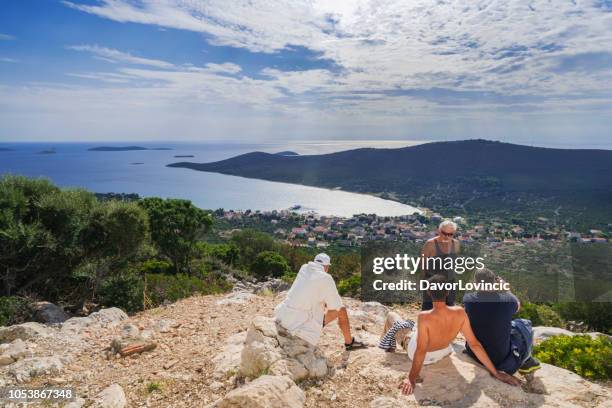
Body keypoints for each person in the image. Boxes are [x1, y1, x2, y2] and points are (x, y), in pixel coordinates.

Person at [400, 274, 521, 395]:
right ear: (447, 292)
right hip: (443, 352)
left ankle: (389, 343)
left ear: (428, 292)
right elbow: (475, 345)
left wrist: (411, 378)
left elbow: (421, 350)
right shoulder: (459, 312)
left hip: (423, 356)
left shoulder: (423, 317)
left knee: (394, 320)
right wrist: (496, 373)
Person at [274, 253, 367, 350]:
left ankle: (322, 324)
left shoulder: (304, 268)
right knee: (340, 309)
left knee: (322, 304)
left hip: (282, 316)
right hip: (297, 326)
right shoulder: (326, 278)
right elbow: (336, 306)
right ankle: (349, 342)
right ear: (326, 267)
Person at [463, 268, 541, 375]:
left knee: (509, 325)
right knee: (524, 323)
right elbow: (518, 305)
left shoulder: (468, 300)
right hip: (500, 360)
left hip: (475, 354)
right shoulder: (507, 300)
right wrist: (506, 288)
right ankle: (526, 360)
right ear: (494, 282)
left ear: (476, 284)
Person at [420, 220, 460, 310]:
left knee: (449, 310)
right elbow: (423, 264)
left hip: (449, 283)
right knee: (428, 310)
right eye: (444, 233)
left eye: (450, 234)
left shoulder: (456, 244)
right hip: (432, 284)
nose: (446, 236)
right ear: (439, 231)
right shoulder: (430, 244)